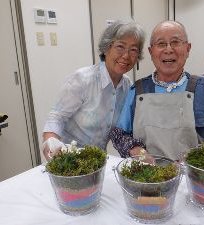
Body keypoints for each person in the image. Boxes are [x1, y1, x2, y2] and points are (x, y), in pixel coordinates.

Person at [110, 20, 204, 160]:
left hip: (193, 177)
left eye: (176, 42)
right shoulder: (138, 90)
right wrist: (138, 153)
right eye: (160, 44)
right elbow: (119, 135)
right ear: (150, 51)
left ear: (188, 49)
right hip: (148, 176)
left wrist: (201, 160)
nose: (168, 49)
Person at [42, 20, 146, 161]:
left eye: (133, 50)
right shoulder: (82, 79)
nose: (126, 55)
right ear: (106, 48)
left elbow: (124, 130)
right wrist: (52, 143)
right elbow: (57, 117)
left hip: (97, 162)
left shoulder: (128, 87)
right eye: (120, 47)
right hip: (66, 159)